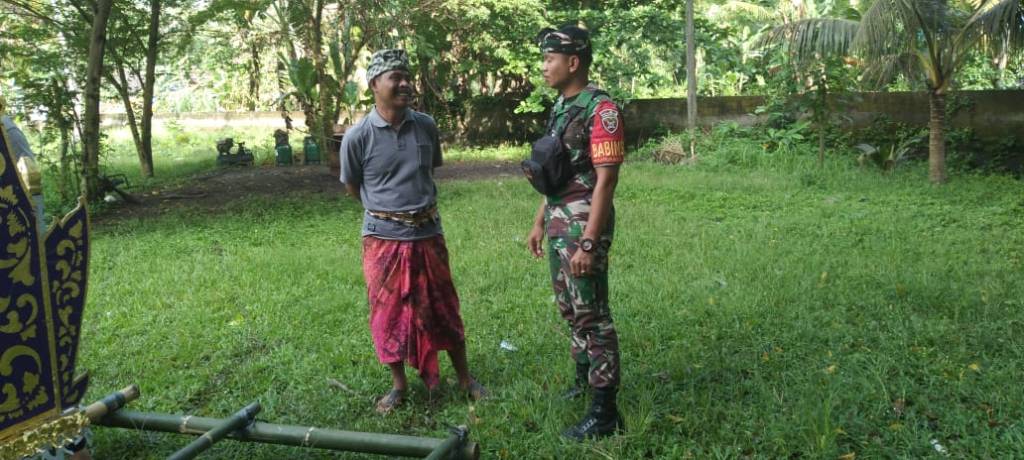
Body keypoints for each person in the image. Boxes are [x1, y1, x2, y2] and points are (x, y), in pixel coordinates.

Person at [340, 49, 486, 413]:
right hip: (382, 240)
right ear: (374, 85)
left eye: (407, 77)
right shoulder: (357, 137)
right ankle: (399, 386)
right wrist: (389, 214)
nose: (405, 84)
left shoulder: (426, 126)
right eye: (396, 77)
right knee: (387, 313)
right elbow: (352, 186)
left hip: (428, 234)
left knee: (443, 305)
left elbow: (428, 171)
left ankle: (465, 378)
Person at [524, 25, 626, 440]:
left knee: (593, 316)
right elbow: (556, 174)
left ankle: (605, 412)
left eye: (549, 59)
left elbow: (606, 181)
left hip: (583, 223)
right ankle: (584, 380)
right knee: (570, 308)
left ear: (573, 62)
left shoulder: (601, 110)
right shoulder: (562, 106)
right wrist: (539, 221)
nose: (543, 66)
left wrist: (589, 241)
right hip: (558, 220)